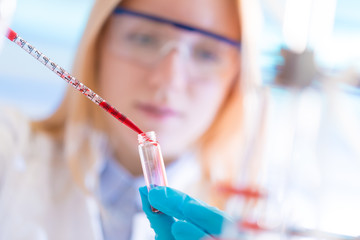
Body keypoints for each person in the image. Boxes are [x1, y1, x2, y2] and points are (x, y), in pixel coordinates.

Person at [0, 0, 261, 239]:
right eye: (145, 39)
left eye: (206, 53)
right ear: (98, 43)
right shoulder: (10, 152)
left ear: (238, 78)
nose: (168, 81)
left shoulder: (266, 222)